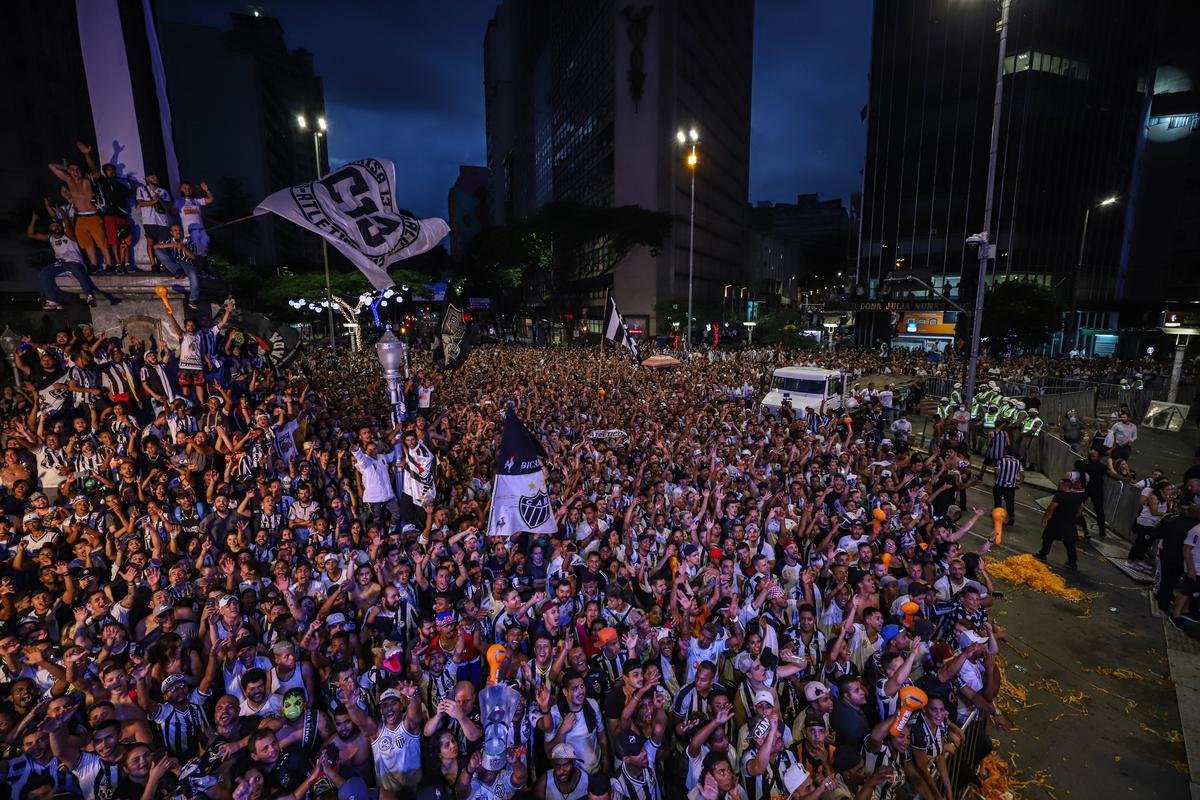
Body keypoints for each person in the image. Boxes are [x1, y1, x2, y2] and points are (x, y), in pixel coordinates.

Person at [48, 142, 113, 269]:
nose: (75, 172)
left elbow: (96, 172)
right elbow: (51, 166)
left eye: (77, 169)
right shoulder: (69, 181)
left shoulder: (87, 180)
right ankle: (94, 265)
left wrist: (87, 155)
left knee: (102, 242)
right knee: (87, 243)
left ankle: (110, 264)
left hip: (93, 215)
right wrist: (63, 166)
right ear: (69, 172)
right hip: (80, 218)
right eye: (72, 170)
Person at [26, 211, 99, 310]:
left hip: (75, 262)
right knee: (43, 273)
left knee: (77, 271)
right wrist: (33, 220)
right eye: (54, 226)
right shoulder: (51, 238)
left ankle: (89, 296)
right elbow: (31, 235)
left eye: (58, 226)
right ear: (50, 228)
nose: (56, 228)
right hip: (60, 264)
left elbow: (68, 226)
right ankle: (53, 300)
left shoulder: (69, 235)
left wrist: (63, 213)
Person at [1035, 474, 1090, 569]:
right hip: (1069, 522)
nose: (1058, 486)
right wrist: (1074, 517)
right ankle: (1072, 563)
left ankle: (1043, 554)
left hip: (1057, 521)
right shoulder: (1077, 497)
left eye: (1060, 484)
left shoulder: (1059, 496)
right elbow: (1080, 508)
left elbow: (1051, 508)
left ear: (1064, 485)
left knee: (1048, 537)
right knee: (1069, 543)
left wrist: (1045, 518)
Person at [136, 173, 173, 271]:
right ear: (147, 179)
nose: (155, 179)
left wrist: (159, 200)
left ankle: (163, 264)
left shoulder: (163, 191)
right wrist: (153, 202)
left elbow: (168, 207)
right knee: (150, 243)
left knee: (162, 244)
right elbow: (140, 203)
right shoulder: (141, 189)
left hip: (162, 221)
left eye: (156, 177)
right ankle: (153, 265)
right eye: (152, 177)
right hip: (149, 220)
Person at [178, 181, 215, 257]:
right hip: (188, 233)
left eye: (189, 188)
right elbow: (172, 211)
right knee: (191, 255)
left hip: (200, 232)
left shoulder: (197, 201)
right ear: (181, 190)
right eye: (185, 188)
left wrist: (206, 190)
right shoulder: (179, 201)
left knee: (202, 253)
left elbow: (210, 199)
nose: (187, 190)